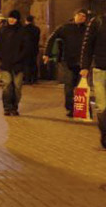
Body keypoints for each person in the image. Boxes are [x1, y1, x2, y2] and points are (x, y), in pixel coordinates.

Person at [45, 9, 88, 117]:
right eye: (79, 15)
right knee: (69, 85)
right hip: (67, 61)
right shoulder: (65, 27)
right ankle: (70, 108)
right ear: (74, 15)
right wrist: (47, 54)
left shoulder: (87, 29)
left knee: (79, 87)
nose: (81, 17)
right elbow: (51, 39)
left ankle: (79, 107)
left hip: (82, 63)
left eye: (84, 16)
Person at [0, 10, 28, 116]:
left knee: (17, 86)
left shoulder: (23, 32)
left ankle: (14, 106)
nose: (12, 20)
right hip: (5, 63)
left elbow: (27, 48)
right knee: (7, 85)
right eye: (10, 17)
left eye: (14, 18)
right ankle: (7, 107)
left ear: (17, 20)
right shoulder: (1, 31)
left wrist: (20, 58)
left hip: (19, 64)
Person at [80, 12, 106, 148]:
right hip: (100, 69)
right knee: (102, 106)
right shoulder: (97, 22)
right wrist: (85, 66)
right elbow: (87, 45)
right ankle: (105, 134)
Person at [22, 15, 42, 83]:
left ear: (26, 20)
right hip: (34, 48)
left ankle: (27, 79)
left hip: (25, 48)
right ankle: (34, 78)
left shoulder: (23, 29)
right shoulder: (37, 29)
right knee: (34, 63)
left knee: (26, 64)